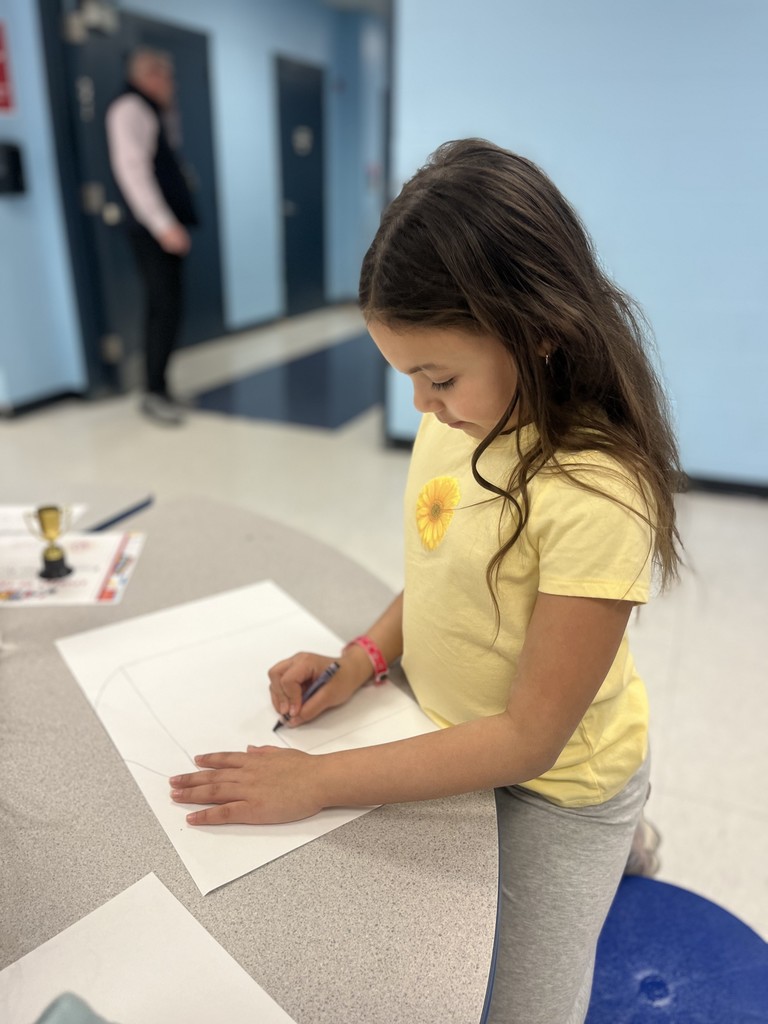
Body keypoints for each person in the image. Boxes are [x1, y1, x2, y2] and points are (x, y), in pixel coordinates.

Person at [168, 139, 683, 1023]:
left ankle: (620, 833)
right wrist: (364, 658)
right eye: (408, 377)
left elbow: (528, 739)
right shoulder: (458, 418)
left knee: (517, 1010)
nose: (420, 407)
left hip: (555, 782)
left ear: (542, 331)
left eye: (437, 377)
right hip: (453, 725)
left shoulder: (599, 495)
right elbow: (446, 575)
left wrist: (318, 781)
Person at [105, 47, 197, 425]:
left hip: (160, 228)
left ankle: (161, 385)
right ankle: (153, 392)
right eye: (167, 77)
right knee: (161, 307)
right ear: (149, 76)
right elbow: (133, 172)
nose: (172, 86)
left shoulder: (154, 112)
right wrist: (164, 225)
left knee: (170, 306)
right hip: (152, 230)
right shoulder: (130, 109)